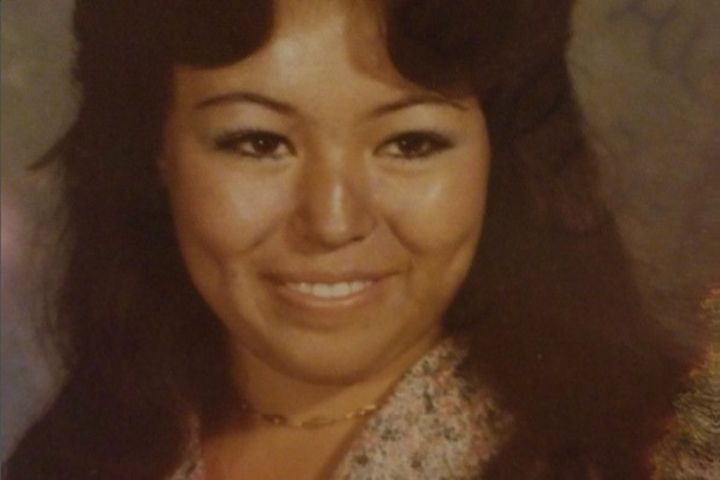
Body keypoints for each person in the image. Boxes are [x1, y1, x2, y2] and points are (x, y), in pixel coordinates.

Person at [2, 0, 697, 478]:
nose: (333, 221)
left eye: (410, 143)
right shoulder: (79, 451)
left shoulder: (658, 454)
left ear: (499, 158)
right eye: (258, 142)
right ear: (157, 152)